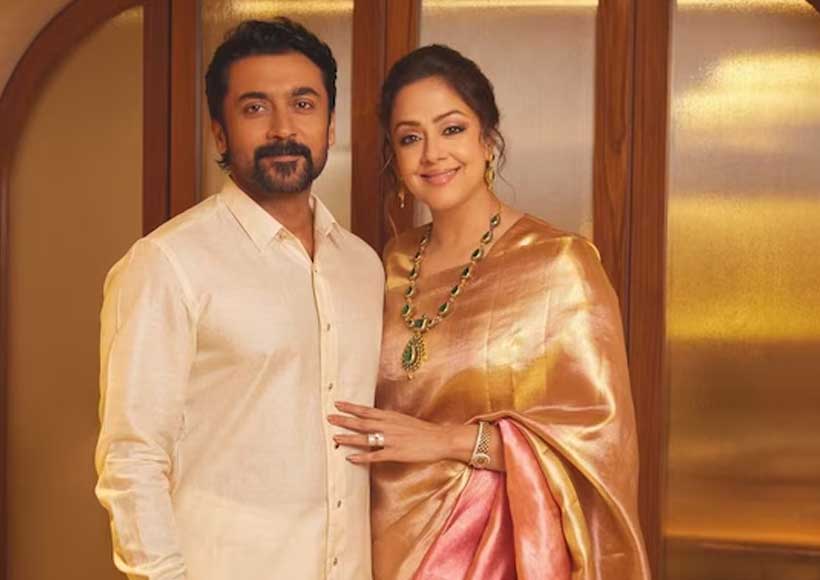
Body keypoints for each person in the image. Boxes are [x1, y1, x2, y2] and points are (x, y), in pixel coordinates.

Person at [329, 44, 650, 579]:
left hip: (491, 554)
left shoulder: (559, 264)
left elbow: (598, 441)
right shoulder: (388, 263)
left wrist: (446, 441)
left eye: (452, 129)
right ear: (394, 156)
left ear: (487, 138)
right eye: (410, 138)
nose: (433, 154)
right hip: (377, 542)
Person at [95, 18, 383, 580]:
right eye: (255, 108)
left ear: (330, 125)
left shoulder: (362, 267)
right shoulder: (167, 264)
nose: (283, 128)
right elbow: (131, 459)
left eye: (303, 104)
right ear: (220, 133)